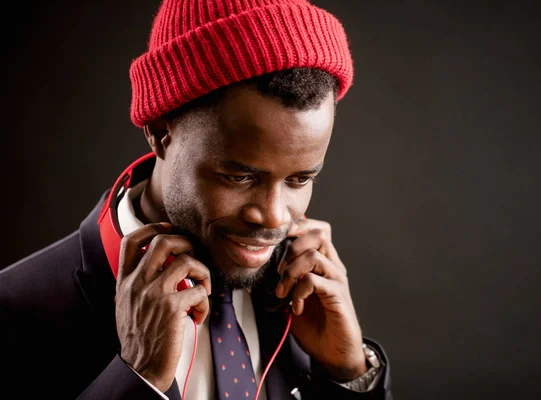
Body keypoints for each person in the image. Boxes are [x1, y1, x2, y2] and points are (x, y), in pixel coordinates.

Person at [0, 0, 392, 399]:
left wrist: (348, 374)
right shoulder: (13, 310)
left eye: (299, 179)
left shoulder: (305, 299)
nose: (274, 218)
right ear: (159, 131)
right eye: (238, 176)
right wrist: (136, 380)